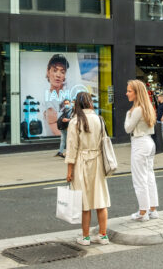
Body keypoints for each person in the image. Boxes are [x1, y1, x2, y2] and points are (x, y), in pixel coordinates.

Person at [65, 91, 110, 246]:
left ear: (77, 104)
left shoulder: (75, 121)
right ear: (90, 102)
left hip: (81, 163)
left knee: (85, 202)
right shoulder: (99, 119)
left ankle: (85, 237)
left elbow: (71, 148)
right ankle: (103, 236)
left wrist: (69, 171)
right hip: (97, 161)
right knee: (100, 200)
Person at [124, 79, 159, 221]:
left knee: (139, 179)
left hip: (140, 143)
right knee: (149, 176)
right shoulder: (148, 107)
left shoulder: (137, 110)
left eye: (129, 91)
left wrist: (128, 114)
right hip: (149, 143)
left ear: (137, 93)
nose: (126, 93)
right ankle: (153, 209)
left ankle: (142, 212)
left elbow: (127, 128)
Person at [43, 54, 69, 136]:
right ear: (48, 72)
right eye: (55, 70)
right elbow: (56, 131)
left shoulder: (67, 94)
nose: (58, 75)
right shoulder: (46, 98)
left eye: (62, 72)